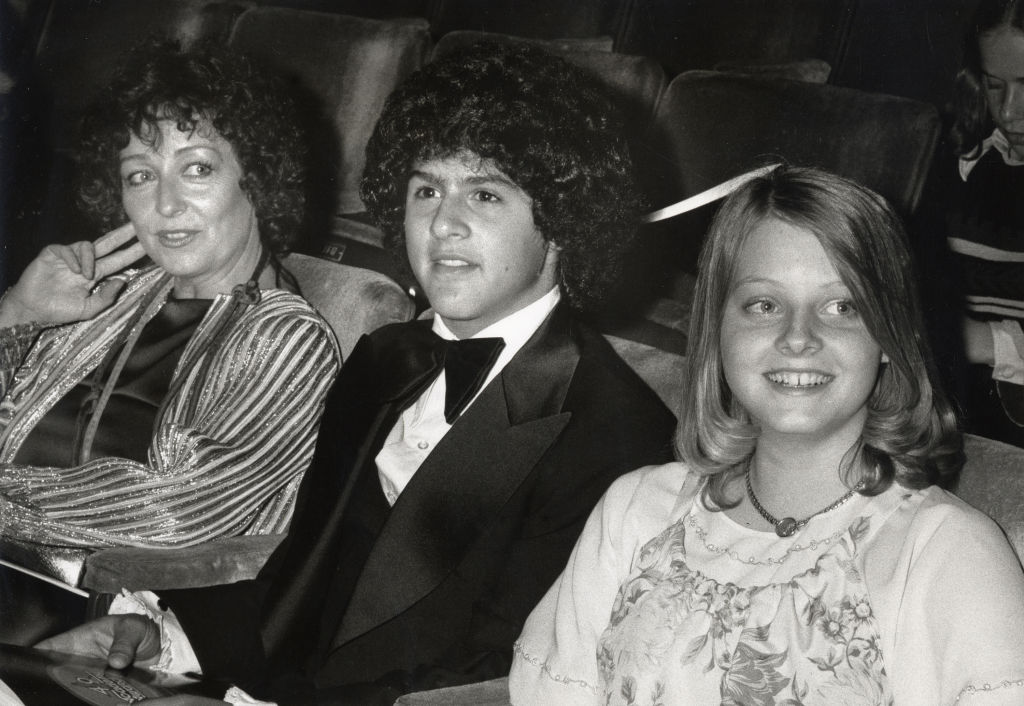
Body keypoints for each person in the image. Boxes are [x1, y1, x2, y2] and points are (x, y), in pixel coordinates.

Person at [37, 42, 676, 704]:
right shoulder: (387, 357)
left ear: (562, 224)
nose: (443, 222)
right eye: (426, 189)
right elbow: (302, 577)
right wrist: (164, 637)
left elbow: (507, 679)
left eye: (485, 194)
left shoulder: (618, 435)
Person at [511, 166, 1024, 705]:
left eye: (842, 306)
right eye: (764, 305)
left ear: (891, 336)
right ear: (718, 328)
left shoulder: (943, 551)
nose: (798, 337)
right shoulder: (636, 513)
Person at [0, 40, 340, 638]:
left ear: (256, 178)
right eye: (140, 175)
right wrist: (17, 315)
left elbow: (178, 512)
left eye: (198, 168)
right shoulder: (108, 298)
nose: (164, 203)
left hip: (100, 628)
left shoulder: (288, 338)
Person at [928, 0, 1024, 445]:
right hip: (944, 395)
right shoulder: (955, 154)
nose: (1010, 112)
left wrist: (975, 340)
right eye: (994, 85)